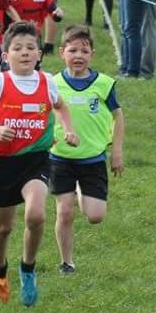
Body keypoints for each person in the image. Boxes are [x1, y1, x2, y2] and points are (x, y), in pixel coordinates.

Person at [0, 21, 80, 307]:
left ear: (39, 54)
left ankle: (28, 270)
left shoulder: (47, 82)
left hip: (37, 160)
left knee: (36, 215)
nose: (25, 53)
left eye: (31, 48)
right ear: (5, 55)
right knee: (4, 226)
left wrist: (67, 129)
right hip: (5, 163)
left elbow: (60, 106)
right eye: (17, 48)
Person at [51, 25, 125, 274]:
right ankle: (67, 262)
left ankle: (82, 190)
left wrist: (116, 152)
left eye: (84, 50)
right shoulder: (52, 83)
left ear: (92, 54)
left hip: (93, 159)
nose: (78, 56)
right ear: (62, 52)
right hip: (60, 157)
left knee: (95, 216)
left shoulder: (104, 84)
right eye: (73, 50)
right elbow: (42, 114)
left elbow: (118, 116)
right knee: (64, 211)